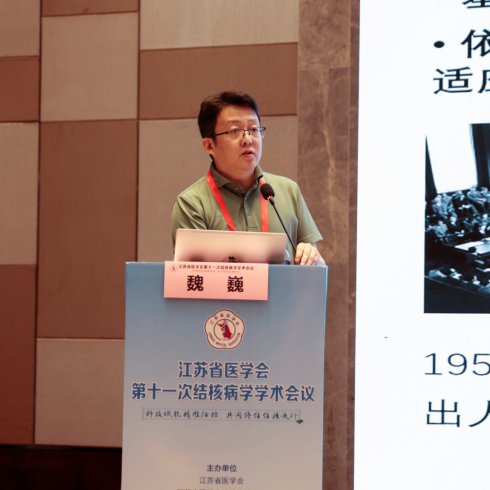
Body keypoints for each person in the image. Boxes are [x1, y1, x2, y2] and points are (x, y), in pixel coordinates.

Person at [171, 90, 325, 266]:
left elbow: (317, 268)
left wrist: (314, 258)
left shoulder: (288, 191)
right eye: (234, 131)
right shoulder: (191, 203)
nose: (248, 139)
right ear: (209, 145)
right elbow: (192, 276)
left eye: (254, 129)